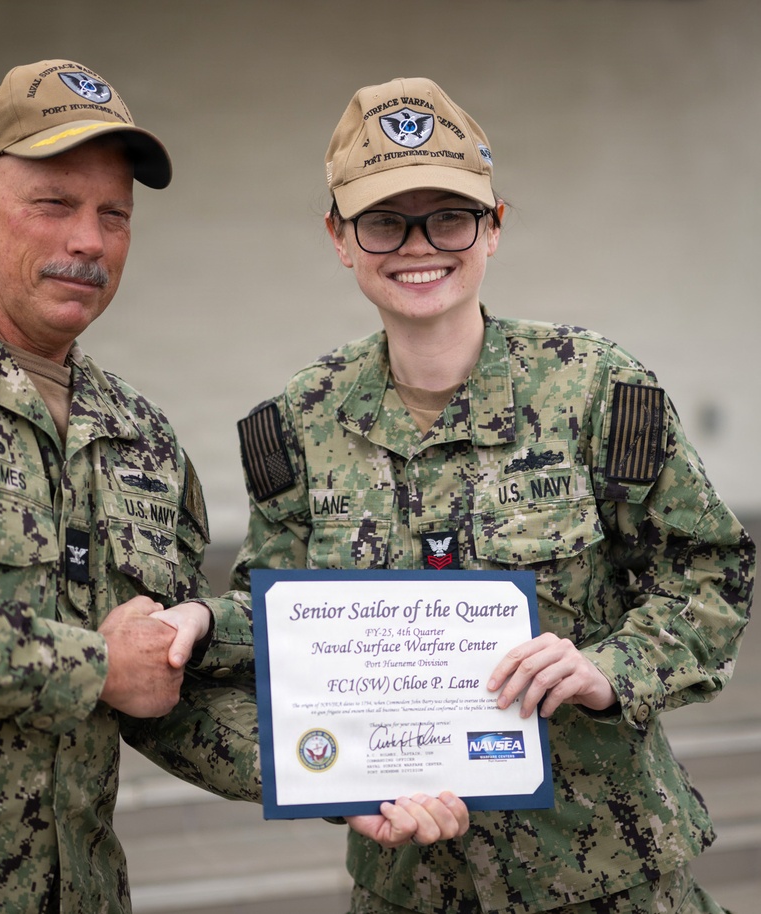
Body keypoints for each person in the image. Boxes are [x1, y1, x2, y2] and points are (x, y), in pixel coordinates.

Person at [0, 60, 465, 914]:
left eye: (114, 215)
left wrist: (345, 774)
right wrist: (93, 665)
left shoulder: (140, 436)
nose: (88, 241)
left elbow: (163, 688)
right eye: (53, 204)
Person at [231, 77, 755, 914]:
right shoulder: (295, 424)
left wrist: (606, 669)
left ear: (494, 226)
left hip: (606, 871)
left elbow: (708, 576)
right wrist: (334, 775)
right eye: (381, 220)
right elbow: (271, 629)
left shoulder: (595, 390)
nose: (417, 245)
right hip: (408, 880)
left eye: (449, 215)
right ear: (338, 237)